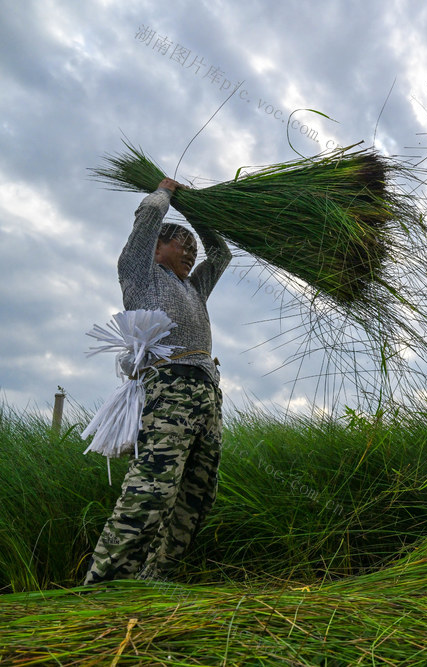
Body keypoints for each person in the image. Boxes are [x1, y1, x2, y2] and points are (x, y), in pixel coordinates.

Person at [83, 178, 231, 585]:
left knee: (197, 496)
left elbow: (221, 253)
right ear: (156, 247)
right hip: (170, 390)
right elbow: (148, 214)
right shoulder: (140, 274)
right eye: (182, 244)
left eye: (193, 248)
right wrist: (167, 193)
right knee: (152, 490)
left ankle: (155, 581)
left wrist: (200, 214)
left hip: (207, 393)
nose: (191, 252)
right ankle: (102, 588)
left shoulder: (194, 288)